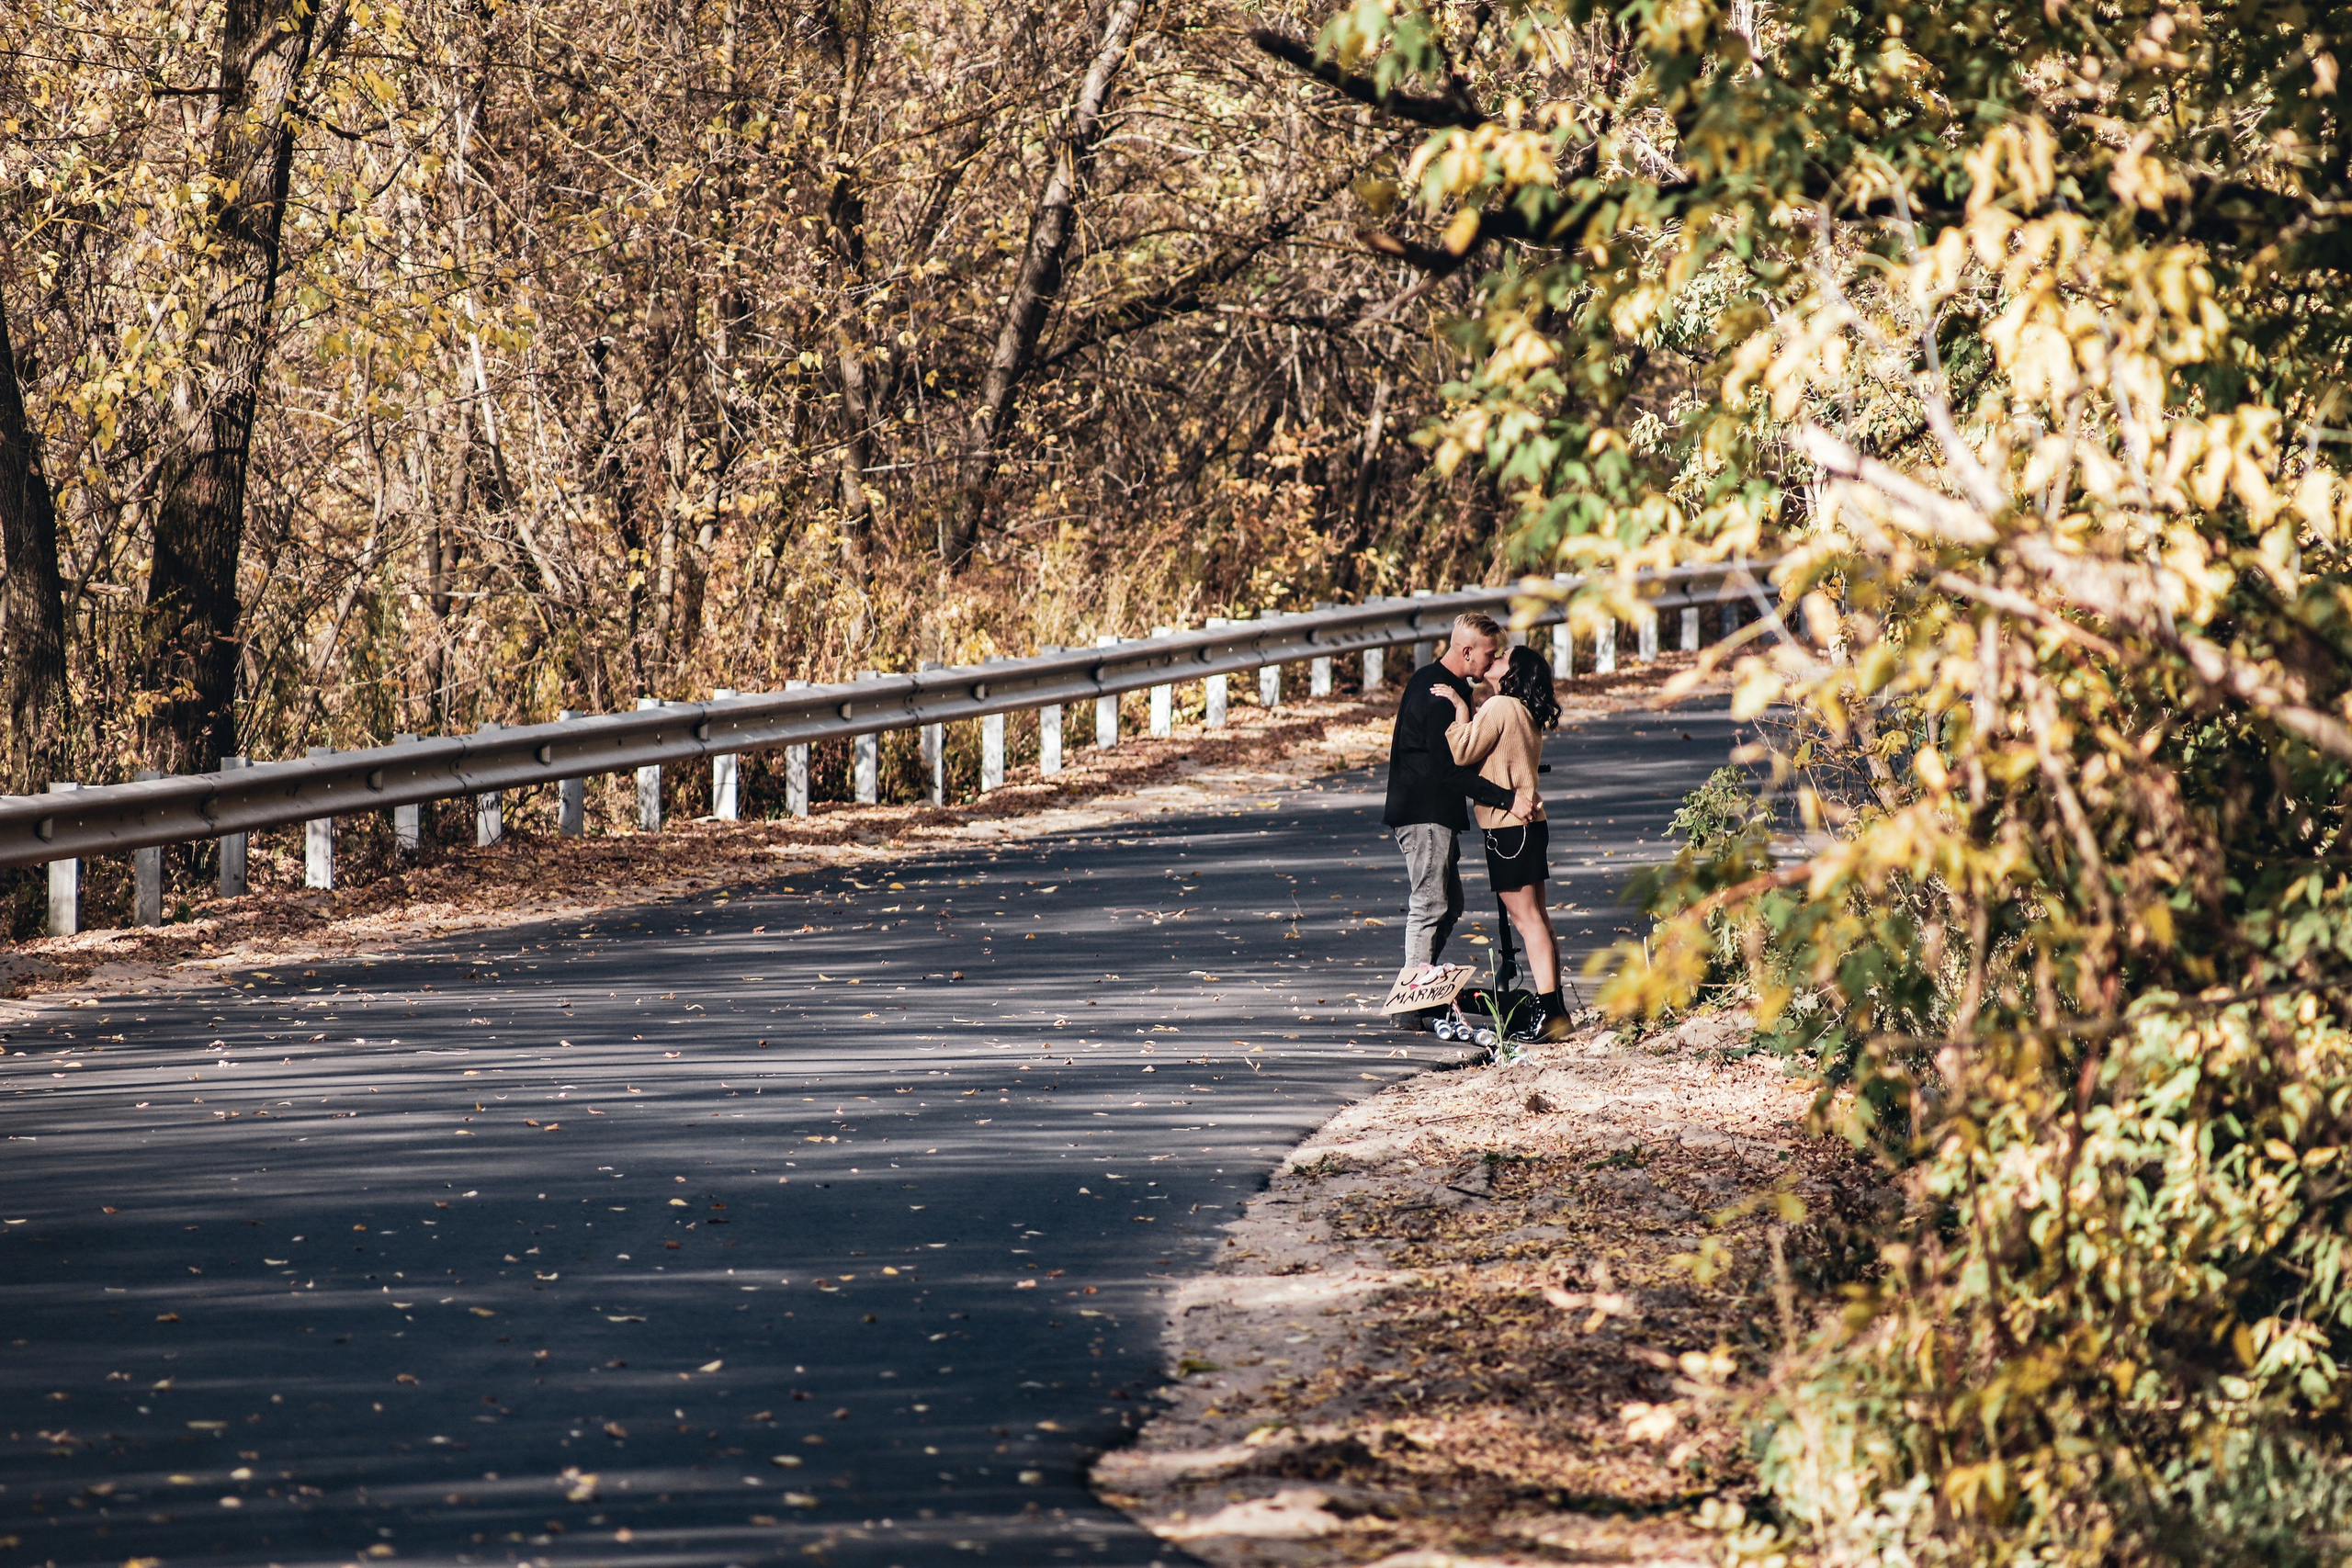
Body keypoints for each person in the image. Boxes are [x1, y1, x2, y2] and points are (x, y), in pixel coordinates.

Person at [1381, 613, 1535, 1024]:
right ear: (1467, 652)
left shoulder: (1441, 684)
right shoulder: (1437, 695)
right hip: (1424, 814)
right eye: (1488, 654)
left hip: (1432, 812)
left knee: (1450, 904)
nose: (1491, 661)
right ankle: (1412, 1003)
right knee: (1431, 903)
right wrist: (1507, 799)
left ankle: (1423, 989)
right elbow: (1452, 771)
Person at [1436, 642, 1569, 1040]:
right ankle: (1555, 1011)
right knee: (1539, 920)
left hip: (1507, 827)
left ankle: (1550, 1016)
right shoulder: (1523, 710)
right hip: (1530, 824)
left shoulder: (1499, 707)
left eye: (1501, 658)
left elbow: (1461, 752)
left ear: (1513, 672)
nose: (1492, 661)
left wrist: (1461, 713)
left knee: (1527, 922)